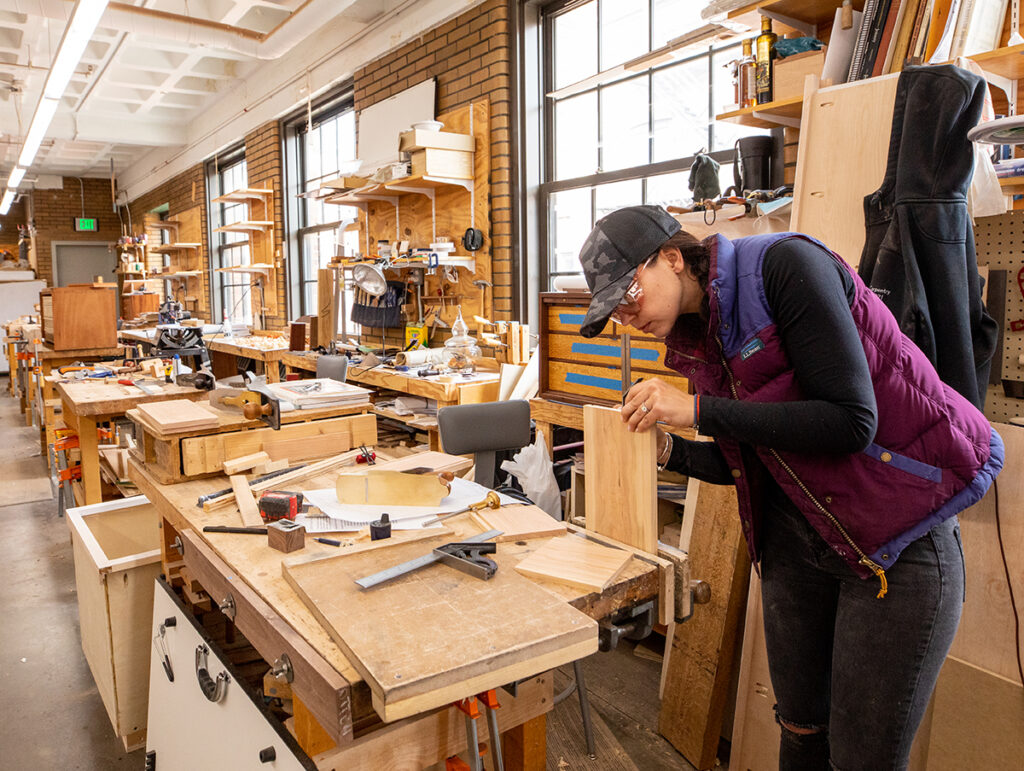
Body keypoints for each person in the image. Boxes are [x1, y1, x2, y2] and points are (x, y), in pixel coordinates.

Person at [576, 205, 1004, 771]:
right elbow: (760, 458)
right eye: (613, 310)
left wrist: (699, 410)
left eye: (629, 292)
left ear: (673, 257)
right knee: (800, 730)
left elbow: (851, 423)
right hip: (800, 540)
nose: (626, 315)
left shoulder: (785, 267)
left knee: (861, 759)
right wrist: (670, 450)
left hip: (895, 546)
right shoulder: (696, 335)